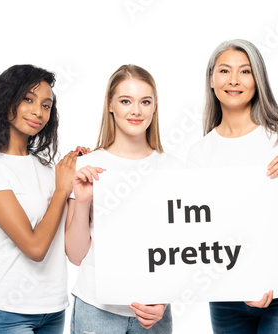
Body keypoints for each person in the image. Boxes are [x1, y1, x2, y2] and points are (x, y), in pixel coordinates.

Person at [186, 39, 278, 333]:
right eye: (224, 71)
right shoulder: (200, 153)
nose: (234, 80)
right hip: (227, 297)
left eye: (245, 71)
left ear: (258, 80)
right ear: (212, 80)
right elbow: (204, 232)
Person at [0, 64, 77, 333]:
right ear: (6, 101)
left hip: (53, 308)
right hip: (7, 312)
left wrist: (79, 179)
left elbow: (67, 238)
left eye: (47, 105)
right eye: (28, 99)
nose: (39, 111)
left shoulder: (46, 169)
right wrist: (62, 190)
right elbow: (35, 248)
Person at [65, 64, 175, 334]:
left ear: (155, 106)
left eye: (144, 101)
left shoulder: (174, 169)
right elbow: (77, 256)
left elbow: (183, 251)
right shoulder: (85, 167)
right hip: (96, 311)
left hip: (154, 312)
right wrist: (81, 201)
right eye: (126, 101)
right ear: (110, 104)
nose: (136, 111)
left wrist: (163, 299)